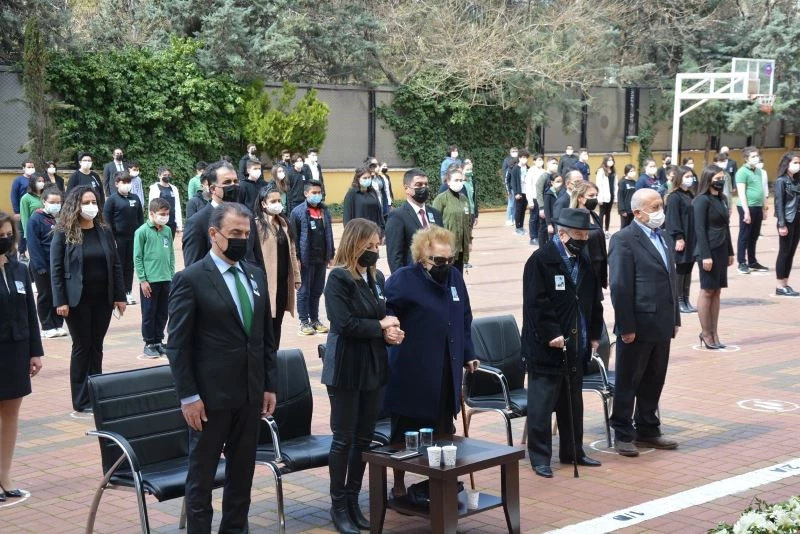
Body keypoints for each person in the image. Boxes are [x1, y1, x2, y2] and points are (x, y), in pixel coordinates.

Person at [166, 203, 278, 534]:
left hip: (249, 395)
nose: (242, 239)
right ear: (214, 234)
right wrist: (188, 396)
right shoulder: (191, 279)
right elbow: (177, 346)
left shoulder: (255, 275)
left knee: (242, 477)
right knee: (201, 479)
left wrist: (269, 384)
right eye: (235, 233)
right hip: (209, 400)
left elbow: (264, 338)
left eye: (247, 233)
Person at [383, 225, 478, 497]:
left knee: (443, 429)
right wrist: (390, 329)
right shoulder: (403, 279)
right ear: (422, 257)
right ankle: (399, 482)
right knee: (405, 431)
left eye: (449, 259)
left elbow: (464, 317)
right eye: (438, 260)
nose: (445, 265)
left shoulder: (454, 277)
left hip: (447, 367)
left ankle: (439, 481)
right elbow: (387, 312)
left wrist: (468, 352)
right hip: (413, 369)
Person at [321, 218, 403, 534]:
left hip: (373, 365)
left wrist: (390, 332)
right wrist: (381, 326)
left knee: (364, 438)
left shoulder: (376, 277)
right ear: (354, 243)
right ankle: (338, 504)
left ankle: (354, 500)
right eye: (369, 245)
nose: (374, 250)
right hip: (346, 367)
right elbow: (344, 324)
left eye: (377, 245)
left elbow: (380, 316)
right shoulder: (338, 278)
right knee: (344, 437)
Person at [522, 208, 603, 478]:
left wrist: (594, 333)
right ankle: (540, 457)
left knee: (572, 403)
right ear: (562, 233)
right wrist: (552, 333)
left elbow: (594, 301)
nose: (583, 239)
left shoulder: (584, 261)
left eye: (586, 235)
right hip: (547, 347)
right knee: (542, 405)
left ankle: (573, 451)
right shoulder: (541, 260)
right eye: (579, 234)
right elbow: (536, 304)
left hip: (576, 344)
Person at [608, 188, 680, 457]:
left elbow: (671, 279)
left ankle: (648, 428)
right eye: (654, 207)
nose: (660, 212)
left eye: (661, 205)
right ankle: (623, 432)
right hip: (637, 324)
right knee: (629, 380)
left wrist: (674, 317)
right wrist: (626, 326)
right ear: (638, 213)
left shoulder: (663, 237)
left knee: (654, 379)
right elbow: (620, 286)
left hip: (661, 322)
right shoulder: (624, 240)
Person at [51, 186, 126, 413]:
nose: (91, 206)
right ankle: (81, 399)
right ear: (75, 205)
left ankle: (97, 393)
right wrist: (60, 300)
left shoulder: (103, 230)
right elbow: (56, 269)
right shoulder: (63, 232)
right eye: (86, 202)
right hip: (77, 301)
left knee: (97, 345)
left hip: (103, 299)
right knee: (82, 346)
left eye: (94, 202)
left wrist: (120, 296)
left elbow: (115, 264)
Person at [0, 212, 44, 500]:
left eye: (8, 235)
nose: (5, 240)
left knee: (10, 413)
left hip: (16, 349)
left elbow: (30, 311)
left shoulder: (19, 269)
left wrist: (35, 351)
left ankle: (4, 475)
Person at [182, 161, 264, 268]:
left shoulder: (247, 217)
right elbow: (193, 269)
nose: (233, 186)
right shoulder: (197, 223)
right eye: (227, 182)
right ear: (213, 189)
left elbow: (257, 257)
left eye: (235, 181)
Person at [693, 165, 734, 349]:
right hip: (708, 250)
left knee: (717, 291)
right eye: (717, 178)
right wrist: (705, 255)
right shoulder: (701, 200)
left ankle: (714, 332)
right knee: (707, 290)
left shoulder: (722, 199)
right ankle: (705, 333)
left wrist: (730, 251)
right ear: (708, 179)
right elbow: (699, 229)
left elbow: (726, 226)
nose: (720, 181)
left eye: (722, 178)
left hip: (722, 248)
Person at [254, 184, 300, 347]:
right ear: (263, 203)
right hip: (266, 283)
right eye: (273, 201)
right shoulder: (257, 225)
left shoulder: (284, 223)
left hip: (282, 282)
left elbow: (292, 251)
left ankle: (274, 354)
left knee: (278, 321)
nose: (277, 204)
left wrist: (296, 276)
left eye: (279, 201)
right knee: (266, 322)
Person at [290, 180, 335, 336]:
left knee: (317, 291)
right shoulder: (297, 212)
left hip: (321, 258)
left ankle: (315, 320)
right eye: (314, 193)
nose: (317, 195)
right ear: (306, 194)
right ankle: (304, 322)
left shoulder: (324, 211)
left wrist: (331, 254)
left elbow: (329, 234)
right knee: (304, 291)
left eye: (319, 193)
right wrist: (296, 258)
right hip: (305, 259)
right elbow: (294, 238)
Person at [134, 198, 175, 358]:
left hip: (165, 278)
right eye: (161, 214)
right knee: (149, 313)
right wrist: (143, 280)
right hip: (150, 281)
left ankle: (158, 340)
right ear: (152, 214)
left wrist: (171, 274)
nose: (165, 217)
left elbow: (170, 253)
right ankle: (149, 343)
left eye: (167, 214)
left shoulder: (167, 230)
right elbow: (137, 257)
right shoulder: (142, 231)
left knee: (162, 312)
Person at [26, 187, 67, 338]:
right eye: (52, 202)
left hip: (59, 264)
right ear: (44, 201)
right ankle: (47, 326)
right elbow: (33, 245)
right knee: (45, 295)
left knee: (58, 294)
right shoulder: (36, 219)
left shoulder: (61, 218)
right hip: (43, 265)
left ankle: (58, 324)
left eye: (58, 202)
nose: (56, 205)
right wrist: (40, 266)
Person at [384, 169, 443, 273]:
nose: (423, 188)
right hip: (413, 275)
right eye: (419, 184)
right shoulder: (397, 216)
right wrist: (401, 279)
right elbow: (395, 256)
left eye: (426, 184)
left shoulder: (435, 214)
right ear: (407, 188)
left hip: (437, 274)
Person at [104, 171, 145, 306]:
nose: (127, 185)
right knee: (119, 265)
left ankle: (128, 292)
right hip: (118, 238)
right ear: (117, 184)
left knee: (130, 265)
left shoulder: (135, 198)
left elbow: (140, 218)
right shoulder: (112, 200)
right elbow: (107, 221)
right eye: (124, 182)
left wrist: (141, 236)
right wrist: (111, 239)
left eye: (128, 182)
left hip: (133, 237)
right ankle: (118, 293)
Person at [666, 166, 697, 313]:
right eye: (687, 176)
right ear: (679, 178)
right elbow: (672, 219)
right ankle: (678, 301)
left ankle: (686, 298)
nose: (690, 179)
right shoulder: (674, 197)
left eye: (691, 176)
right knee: (681, 267)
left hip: (691, 236)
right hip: (680, 237)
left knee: (689, 266)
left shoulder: (690, 194)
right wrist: (679, 237)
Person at [735, 146, 768, 274]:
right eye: (753, 156)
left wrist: (764, 208)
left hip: (758, 207)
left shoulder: (759, 171)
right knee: (744, 235)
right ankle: (741, 262)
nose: (756, 158)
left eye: (757, 156)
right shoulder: (742, 172)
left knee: (754, 235)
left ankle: (752, 261)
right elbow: (741, 193)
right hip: (746, 207)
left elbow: (762, 190)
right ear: (746, 158)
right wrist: (746, 211)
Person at [432, 166, 472, 272]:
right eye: (456, 180)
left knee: (458, 275)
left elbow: (468, 222)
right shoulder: (441, 199)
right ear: (448, 182)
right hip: (447, 247)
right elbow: (434, 224)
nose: (459, 183)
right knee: (446, 275)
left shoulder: (464, 199)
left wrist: (469, 241)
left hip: (462, 246)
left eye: (461, 180)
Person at [570, 181, 607, 289]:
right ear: (580, 198)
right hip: (584, 271)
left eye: (596, 195)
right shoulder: (573, 219)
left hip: (598, 267)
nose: (595, 199)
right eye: (591, 196)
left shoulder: (594, 215)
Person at [774, 152, 800, 296]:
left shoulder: (797, 180)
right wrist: (781, 224)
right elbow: (779, 204)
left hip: (797, 220)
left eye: (799, 163)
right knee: (784, 252)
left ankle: (785, 283)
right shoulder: (781, 181)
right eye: (795, 162)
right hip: (787, 220)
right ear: (787, 164)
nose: (798, 165)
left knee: (791, 252)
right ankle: (779, 285)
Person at [342, 168, 385, 235]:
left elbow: (379, 212)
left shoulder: (372, 192)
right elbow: (347, 217)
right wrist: (350, 234)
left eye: (369, 177)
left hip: (374, 231)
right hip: (359, 233)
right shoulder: (352, 194)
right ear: (358, 179)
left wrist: (382, 230)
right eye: (364, 178)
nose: (367, 180)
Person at [148, 166, 183, 242]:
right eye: (165, 175)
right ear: (159, 176)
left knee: (169, 243)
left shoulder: (174, 188)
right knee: (159, 243)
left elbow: (177, 206)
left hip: (172, 221)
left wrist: (179, 224)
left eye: (168, 175)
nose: (167, 177)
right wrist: (152, 222)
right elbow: (151, 206)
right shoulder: (154, 188)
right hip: (159, 221)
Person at [10, 160, 36, 259]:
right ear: (23, 168)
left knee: (35, 231)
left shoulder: (36, 179)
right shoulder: (18, 180)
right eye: (29, 167)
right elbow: (14, 196)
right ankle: (22, 252)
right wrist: (16, 211)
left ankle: (35, 252)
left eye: (32, 167)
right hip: (22, 210)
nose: (31, 169)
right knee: (22, 232)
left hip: (35, 209)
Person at [19, 173, 46, 247]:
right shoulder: (26, 198)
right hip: (34, 228)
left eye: (43, 181)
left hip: (46, 227)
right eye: (39, 181)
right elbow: (24, 217)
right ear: (33, 182)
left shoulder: (46, 195)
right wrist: (27, 234)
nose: (41, 183)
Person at [509, 150, 529, 236]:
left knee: (523, 210)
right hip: (519, 192)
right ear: (519, 158)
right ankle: (517, 227)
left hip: (526, 192)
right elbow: (513, 182)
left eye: (526, 158)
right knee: (518, 210)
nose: (525, 159)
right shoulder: (515, 169)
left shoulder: (528, 168)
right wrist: (517, 193)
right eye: (523, 157)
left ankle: (521, 226)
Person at [540, 174, 564, 246]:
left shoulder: (563, 193)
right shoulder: (548, 194)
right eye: (558, 181)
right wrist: (549, 224)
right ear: (552, 182)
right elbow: (547, 211)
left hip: (561, 221)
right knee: (553, 242)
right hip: (552, 222)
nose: (560, 183)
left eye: (561, 181)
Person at [596, 154, 616, 234]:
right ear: (605, 161)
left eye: (612, 160)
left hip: (611, 195)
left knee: (608, 213)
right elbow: (598, 184)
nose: (611, 162)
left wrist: (615, 197)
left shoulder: (613, 171)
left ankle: (607, 231)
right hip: (603, 196)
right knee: (602, 213)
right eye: (609, 160)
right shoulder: (601, 171)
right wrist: (599, 198)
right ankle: (600, 231)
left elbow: (615, 185)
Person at [617, 164, 637, 229]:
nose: (633, 172)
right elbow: (620, 197)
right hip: (625, 209)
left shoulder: (634, 182)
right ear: (626, 172)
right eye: (631, 171)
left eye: (634, 171)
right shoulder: (622, 182)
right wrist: (622, 210)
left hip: (632, 209)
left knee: (631, 227)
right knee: (624, 227)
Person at [503, 147, 519, 226]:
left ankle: (514, 218)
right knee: (511, 204)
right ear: (510, 152)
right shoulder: (507, 160)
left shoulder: (519, 160)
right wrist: (508, 190)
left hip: (518, 188)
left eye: (516, 151)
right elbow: (505, 174)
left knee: (516, 204)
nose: (515, 152)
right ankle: (509, 219)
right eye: (513, 151)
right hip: (511, 187)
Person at [462, 158, 479, 228]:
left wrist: (476, 215)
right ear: (462, 170)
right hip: (463, 213)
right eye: (467, 169)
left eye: (470, 169)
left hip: (471, 212)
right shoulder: (460, 184)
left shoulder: (472, 182)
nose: (469, 171)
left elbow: (474, 199)